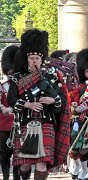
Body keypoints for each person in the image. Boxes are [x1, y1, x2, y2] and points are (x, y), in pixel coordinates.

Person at [7, 29, 70, 180]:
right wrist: (27, 105)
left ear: (42, 59)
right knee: (24, 165)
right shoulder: (17, 78)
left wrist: (53, 100)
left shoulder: (52, 77)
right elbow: (12, 100)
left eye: (37, 58)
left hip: (46, 123)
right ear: (26, 59)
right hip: (25, 123)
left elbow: (63, 100)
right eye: (31, 58)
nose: (34, 60)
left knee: (42, 164)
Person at [69, 48, 88, 180]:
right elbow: (73, 101)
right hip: (79, 120)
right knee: (77, 148)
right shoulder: (79, 87)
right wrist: (74, 106)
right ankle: (80, 167)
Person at [0, 45, 21, 180]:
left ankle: (16, 177)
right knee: (4, 153)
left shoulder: (23, 84)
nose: (10, 73)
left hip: (19, 122)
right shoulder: (3, 86)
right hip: (4, 124)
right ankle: (6, 176)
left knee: (18, 154)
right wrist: (2, 107)